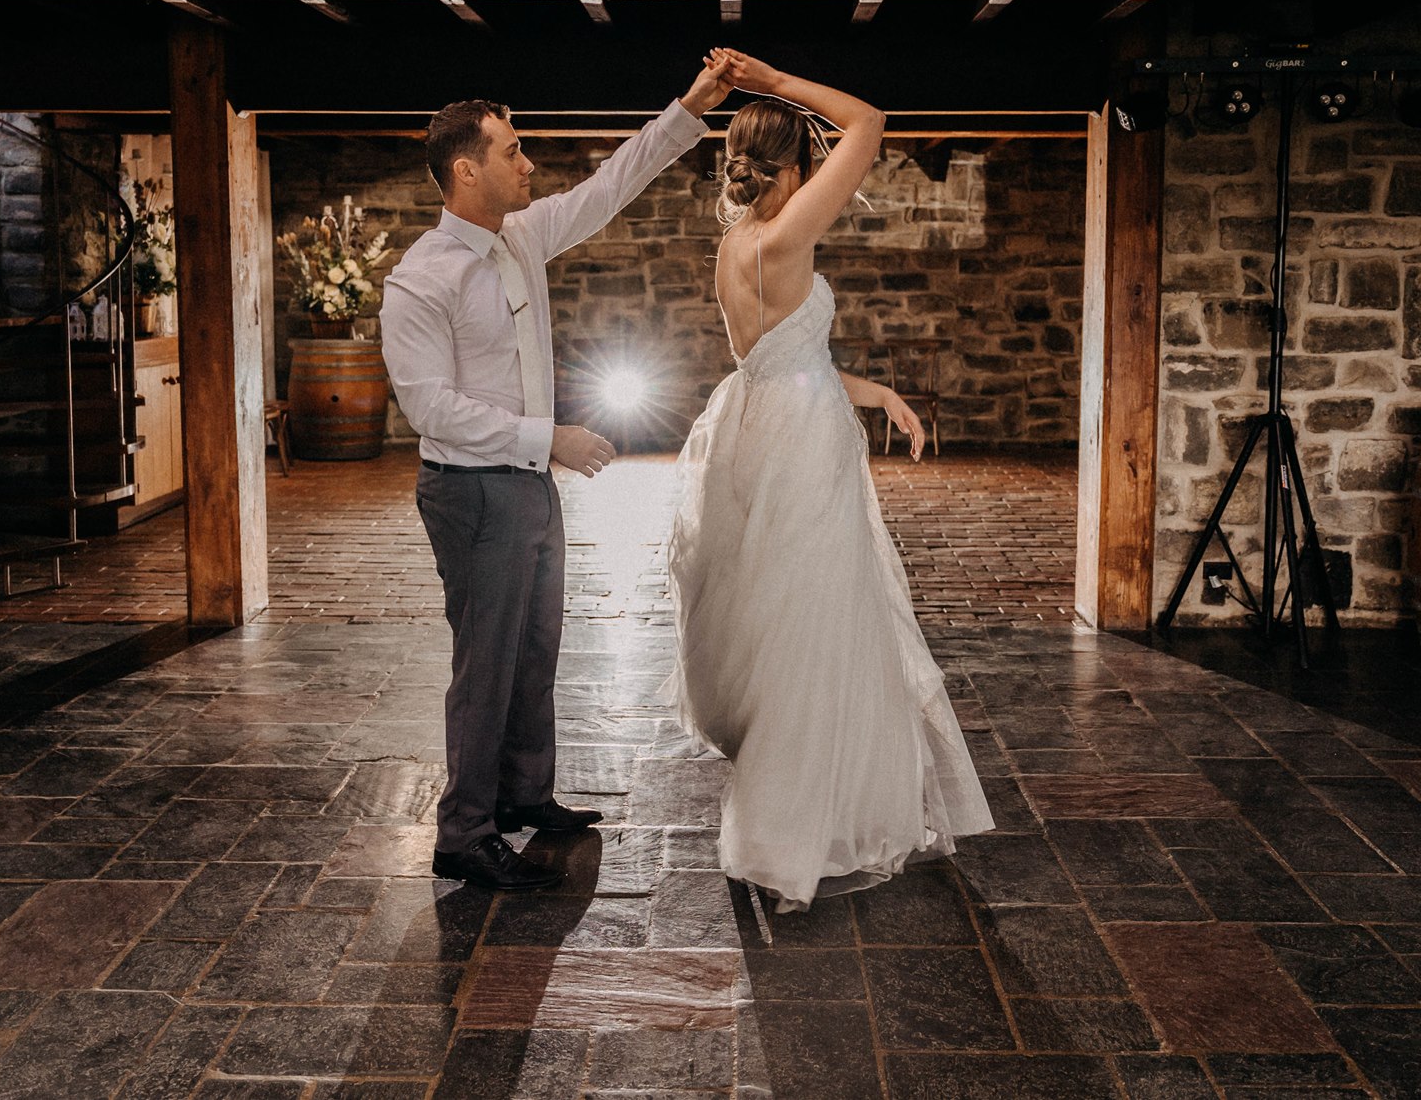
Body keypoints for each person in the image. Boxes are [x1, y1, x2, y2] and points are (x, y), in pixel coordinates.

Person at [382, 53, 736, 892]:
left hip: (528, 487)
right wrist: (551, 441)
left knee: (537, 647)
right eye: (512, 151)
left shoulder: (523, 235)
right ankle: (463, 832)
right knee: (487, 660)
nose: (529, 163)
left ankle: (524, 795)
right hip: (471, 493)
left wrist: (687, 108)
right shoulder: (418, 281)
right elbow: (432, 411)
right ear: (467, 169)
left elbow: (613, 184)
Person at [666, 49, 995, 913]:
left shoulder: (736, 243)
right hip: (801, 448)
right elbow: (871, 121)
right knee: (814, 624)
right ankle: (788, 826)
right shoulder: (788, 234)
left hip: (749, 429)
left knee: (781, 620)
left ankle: (803, 805)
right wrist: (774, 81)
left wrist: (878, 390)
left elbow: (785, 358)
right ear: (799, 169)